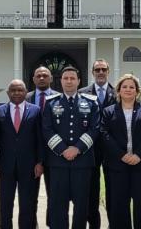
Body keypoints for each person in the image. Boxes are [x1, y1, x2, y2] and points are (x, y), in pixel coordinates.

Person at [42, 66, 100, 229]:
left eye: (72, 78)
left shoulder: (90, 102)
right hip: (57, 162)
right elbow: (46, 129)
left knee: (82, 205)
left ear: (79, 81)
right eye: (65, 78)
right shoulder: (51, 102)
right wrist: (63, 149)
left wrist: (77, 149)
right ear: (60, 81)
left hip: (82, 162)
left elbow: (95, 128)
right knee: (57, 204)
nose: (69, 81)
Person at [101, 74, 141, 229]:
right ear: (118, 90)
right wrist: (122, 155)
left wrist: (139, 154)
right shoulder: (108, 111)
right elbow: (104, 134)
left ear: (137, 91)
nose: (128, 89)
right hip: (117, 165)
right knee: (119, 204)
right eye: (124, 87)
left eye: (132, 87)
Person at [0, 79, 44, 229]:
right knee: (5, 203)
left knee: (27, 203)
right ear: (8, 93)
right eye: (13, 90)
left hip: (29, 166)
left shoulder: (35, 110)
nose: (16, 93)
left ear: (26, 92)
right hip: (6, 165)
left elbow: (39, 139)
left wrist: (40, 162)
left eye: (20, 90)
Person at [78, 59, 116, 229]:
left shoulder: (118, 93)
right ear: (92, 72)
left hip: (112, 150)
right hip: (89, 149)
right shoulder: (82, 93)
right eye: (97, 69)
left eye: (103, 69)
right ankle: (94, 225)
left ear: (108, 71)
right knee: (90, 191)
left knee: (114, 190)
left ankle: (113, 224)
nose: (100, 72)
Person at [25, 65, 59, 226]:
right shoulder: (25, 98)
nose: (41, 78)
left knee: (55, 196)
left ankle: (52, 223)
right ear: (33, 79)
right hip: (31, 156)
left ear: (51, 78)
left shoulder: (60, 98)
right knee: (30, 197)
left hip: (55, 154)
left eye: (45, 75)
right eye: (38, 75)